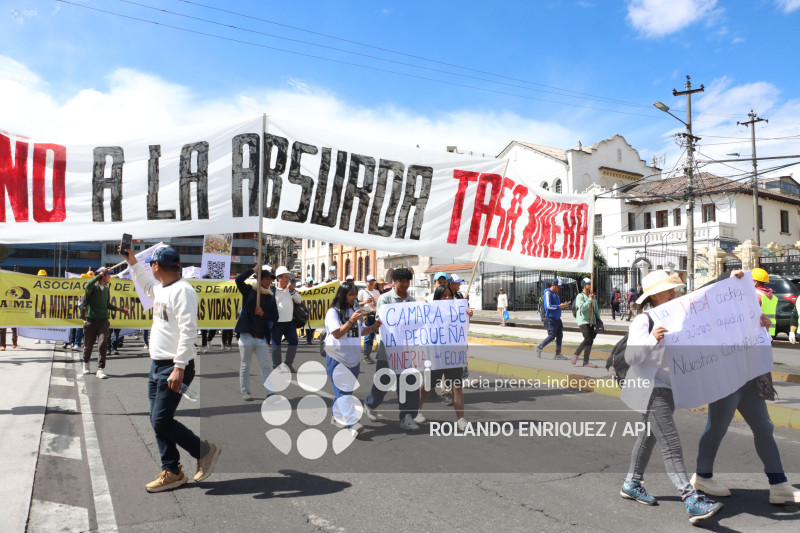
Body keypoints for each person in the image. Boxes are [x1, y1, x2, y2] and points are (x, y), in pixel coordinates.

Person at [620, 270, 723, 524]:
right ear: (655, 296)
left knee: (648, 437)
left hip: (669, 388)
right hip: (651, 389)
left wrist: (732, 279)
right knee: (671, 444)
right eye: (668, 290)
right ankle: (691, 499)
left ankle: (631, 483)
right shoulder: (643, 321)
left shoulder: (677, 317)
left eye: (673, 289)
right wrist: (652, 339)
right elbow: (631, 357)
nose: (673, 293)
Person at [692, 268, 800, 505]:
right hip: (727, 377)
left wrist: (763, 327)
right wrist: (726, 278)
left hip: (750, 375)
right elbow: (697, 298)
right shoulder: (716, 307)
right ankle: (702, 476)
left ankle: (779, 483)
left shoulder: (752, 305)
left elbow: (758, 338)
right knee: (717, 427)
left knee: (764, 427)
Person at [122, 244, 221, 493]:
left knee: (160, 420)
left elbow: (189, 331)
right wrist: (132, 261)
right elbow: (146, 285)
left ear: (157, 266)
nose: (150, 269)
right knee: (158, 420)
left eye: (151, 265)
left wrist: (179, 367)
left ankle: (203, 451)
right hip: (158, 365)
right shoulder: (162, 288)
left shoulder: (183, 291)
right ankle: (173, 471)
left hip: (174, 366)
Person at [363, 267, 421, 431]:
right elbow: (383, 321)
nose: (405, 284)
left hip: (407, 350)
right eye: (401, 281)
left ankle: (406, 416)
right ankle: (370, 403)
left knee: (409, 383)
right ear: (394, 282)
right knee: (383, 382)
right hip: (388, 349)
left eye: (407, 281)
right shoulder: (385, 299)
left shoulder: (412, 301)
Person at [325, 282, 381, 436]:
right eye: (351, 294)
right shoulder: (333, 312)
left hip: (353, 358)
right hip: (337, 357)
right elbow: (337, 334)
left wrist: (373, 327)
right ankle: (352, 422)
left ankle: (335, 416)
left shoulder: (354, 310)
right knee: (343, 391)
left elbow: (359, 331)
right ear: (343, 295)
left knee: (346, 391)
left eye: (355, 294)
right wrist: (351, 320)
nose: (354, 297)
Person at [416, 284, 468, 430]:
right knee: (429, 386)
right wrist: (421, 302)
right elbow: (416, 304)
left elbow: (463, 327)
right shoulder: (431, 309)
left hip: (454, 354)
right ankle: (416, 410)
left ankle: (461, 419)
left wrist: (467, 313)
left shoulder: (458, 310)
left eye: (449, 295)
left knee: (457, 386)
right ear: (437, 298)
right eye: (443, 296)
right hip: (435, 354)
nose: (447, 298)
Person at [235, 265, 279, 401]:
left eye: (270, 279)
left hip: (261, 337)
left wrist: (263, 313)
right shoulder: (249, 290)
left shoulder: (271, 297)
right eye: (265, 279)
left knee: (265, 366)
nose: (268, 281)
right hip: (246, 335)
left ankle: (270, 392)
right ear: (259, 279)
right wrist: (252, 270)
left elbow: (275, 316)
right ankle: (246, 392)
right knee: (245, 366)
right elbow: (238, 280)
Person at [82, 267, 130, 379]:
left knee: (103, 344)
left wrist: (120, 309)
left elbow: (107, 304)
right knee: (88, 346)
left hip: (103, 321)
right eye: (108, 275)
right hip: (91, 321)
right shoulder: (93, 287)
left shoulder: (107, 289)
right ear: (102, 276)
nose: (110, 277)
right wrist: (99, 275)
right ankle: (86, 363)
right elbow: (88, 285)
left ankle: (100, 369)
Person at [270, 266, 302, 372]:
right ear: (279, 278)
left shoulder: (290, 290)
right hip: (276, 323)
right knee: (276, 345)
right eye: (285, 277)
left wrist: (293, 291)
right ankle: (276, 366)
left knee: (294, 342)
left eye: (288, 277)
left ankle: (288, 364)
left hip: (290, 322)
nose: (288, 279)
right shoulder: (272, 290)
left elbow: (299, 301)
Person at [535, 279, 569, 360]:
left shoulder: (555, 294)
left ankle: (558, 354)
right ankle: (539, 347)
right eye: (558, 287)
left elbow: (556, 306)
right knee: (552, 336)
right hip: (550, 318)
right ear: (553, 285)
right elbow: (548, 306)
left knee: (560, 336)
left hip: (557, 319)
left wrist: (562, 305)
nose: (559, 289)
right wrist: (559, 306)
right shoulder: (548, 293)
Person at [571, 278, 599, 367]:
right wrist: (590, 299)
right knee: (587, 339)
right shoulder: (580, 296)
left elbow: (596, 310)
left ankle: (585, 362)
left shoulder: (592, 296)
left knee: (590, 341)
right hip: (583, 321)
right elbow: (582, 308)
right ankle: (576, 355)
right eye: (589, 284)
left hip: (592, 321)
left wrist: (599, 321)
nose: (591, 285)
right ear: (584, 285)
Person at [358, 275, 381, 364]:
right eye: (370, 282)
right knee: (368, 336)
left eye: (373, 281)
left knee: (372, 336)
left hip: (375, 315)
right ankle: (366, 355)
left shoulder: (377, 292)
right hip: (366, 316)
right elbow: (357, 303)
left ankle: (368, 354)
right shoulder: (362, 292)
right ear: (366, 283)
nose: (372, 283)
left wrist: (376, 304)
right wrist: (365, 302)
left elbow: (380, 303)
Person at [301, 277, 316, 344]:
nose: (310, 284)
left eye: (311, 282)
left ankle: (309, 336)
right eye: (309, 283)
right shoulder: (302, 289)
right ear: (306, 283)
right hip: (305, 309)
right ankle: (309, 339)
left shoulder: (315, 289)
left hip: (314, 309)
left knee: (315, 324)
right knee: (307, 324)